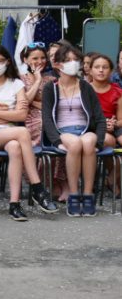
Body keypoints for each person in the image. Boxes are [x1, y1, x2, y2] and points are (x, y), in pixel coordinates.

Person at [0, 44, 57, 221]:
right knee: (22, 132)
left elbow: (21, 114)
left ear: (8, 62)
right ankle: (37, 187)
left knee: (15, 148)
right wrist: (8, 113)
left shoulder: (17, 84)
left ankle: (14, 204)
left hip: (12, 133)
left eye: (0, 60)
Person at [42, 43, 106, 217]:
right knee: (76, 143)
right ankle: (74, 193)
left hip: (86, 130)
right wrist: (56, 139)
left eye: (75, 60)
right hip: (64, 132)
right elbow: (46, 119)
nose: (72, 63)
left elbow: (100, 119)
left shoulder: (86, 87)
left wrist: (99, 141)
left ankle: (88, 194)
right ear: (58, 64)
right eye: (68, 60)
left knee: (89, 142)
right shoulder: (50, 88)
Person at [20, 43, 69, 202]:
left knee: (62, 133)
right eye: (34, 58)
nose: (39, 61)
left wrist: (34, 102)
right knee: (44, 129)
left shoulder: (53, 80)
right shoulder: (19, 79)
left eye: (42, 58)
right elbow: (23, 103)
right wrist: (37, 80)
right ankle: (42, 182)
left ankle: (59, 180)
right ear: (25, 60)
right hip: (28, 120)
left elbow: (56, 105)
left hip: (51, 117)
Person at [88, 53, 122, 197]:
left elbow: (121, 119)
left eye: (105, 67)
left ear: (111, 70)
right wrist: (102, 125)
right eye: (97, 67)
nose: (101, 70)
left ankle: (112, 178)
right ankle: (112, 182)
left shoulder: (117, 91)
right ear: (90, 70)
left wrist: (114, 123)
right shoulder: (85, 89)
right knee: (108, 140)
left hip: (114, 126)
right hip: (91, 126)